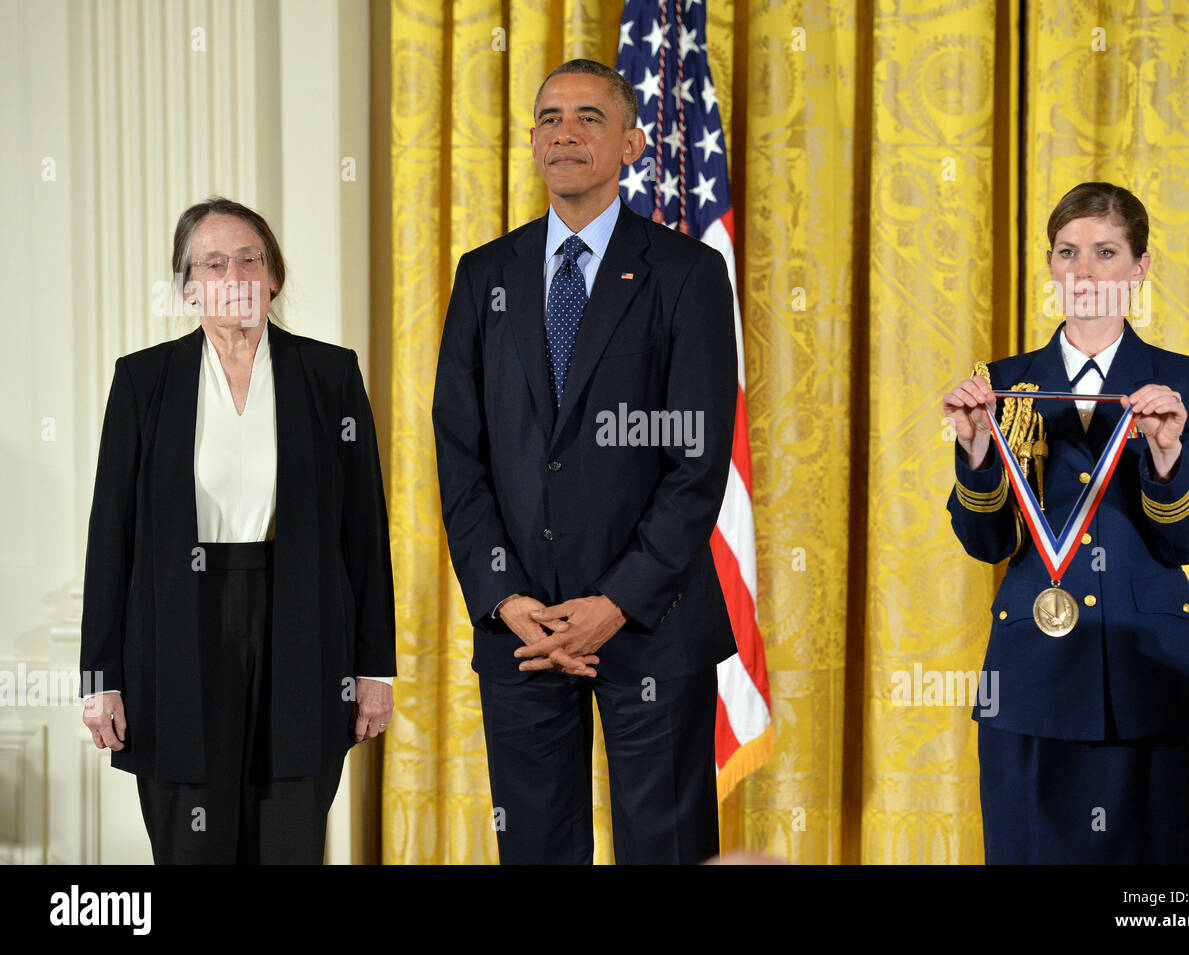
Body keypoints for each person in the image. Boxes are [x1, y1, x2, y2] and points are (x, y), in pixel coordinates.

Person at [432, 59, 737, 864]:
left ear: (632, 142)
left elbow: (696, 463)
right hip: (523, 632)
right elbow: (460, 456)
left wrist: (616, 601)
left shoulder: (688, 274)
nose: (565, 131)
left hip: (652, 626)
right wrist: (502, 597)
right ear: (532, 142)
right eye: (550, 117)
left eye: (590, 117)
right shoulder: (483, 276)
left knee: (665, 850)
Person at [79, 198, 397, 864]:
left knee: (288, 839)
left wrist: (375, 666)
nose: (235, 274)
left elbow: (364, 529)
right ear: (188, 285)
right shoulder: (143, 381)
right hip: (175, 631)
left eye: (250, 258)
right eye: (214, 262)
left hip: (303, 627)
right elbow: (112, 536)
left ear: (274, 275)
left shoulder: (330, 375)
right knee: (192, 843)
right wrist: (99, 675)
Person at [941, 181, 1189, 864]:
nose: (1085, 272)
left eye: (1106, 252)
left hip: (1153, 680)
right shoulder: (1004, 383)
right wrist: (977, 450)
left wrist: (1166, 457)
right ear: (1049, 265)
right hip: (1032, 680)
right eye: (1068, 252)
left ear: (1140, 267)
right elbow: (987, 541)